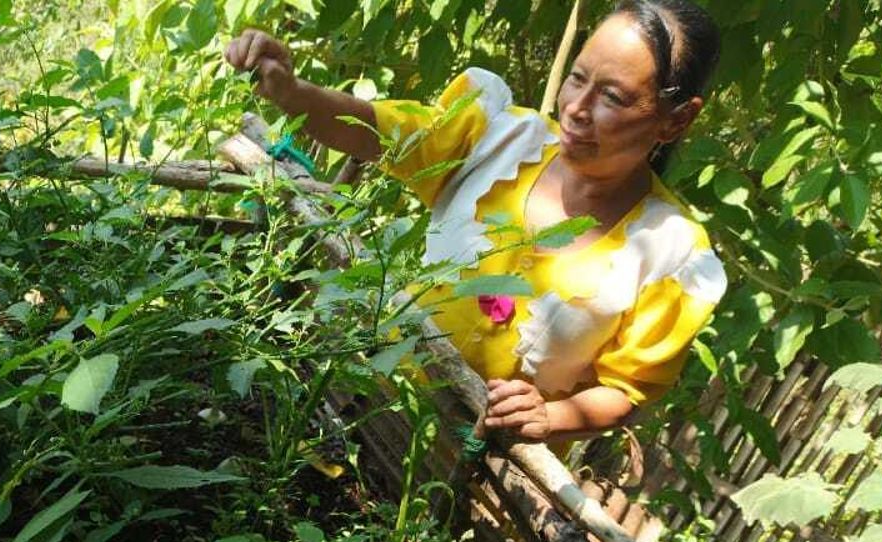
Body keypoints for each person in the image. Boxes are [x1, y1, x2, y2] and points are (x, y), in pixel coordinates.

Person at [224, 0, 726, 445]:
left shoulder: (669, 253)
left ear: (676, 119)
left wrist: (548, 417)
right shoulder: (499, 137)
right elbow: (382, 133)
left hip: (470, 474)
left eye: (612, 97)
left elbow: (625, 390)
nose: (577, 108)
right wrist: (292, 91)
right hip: (358, 407)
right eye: (577, 78)